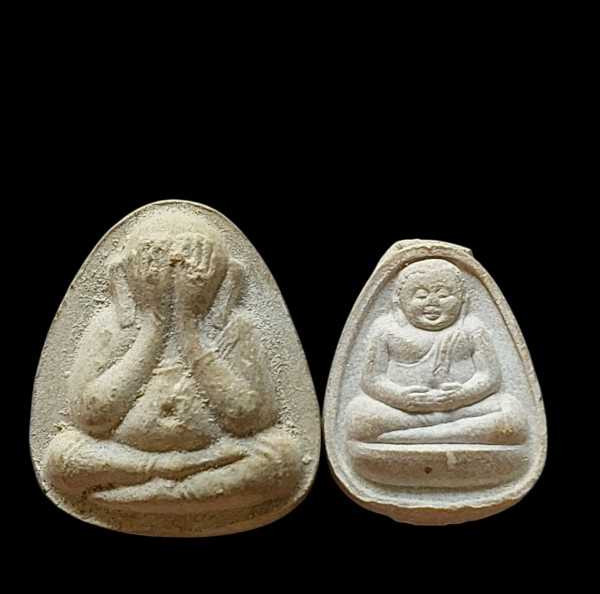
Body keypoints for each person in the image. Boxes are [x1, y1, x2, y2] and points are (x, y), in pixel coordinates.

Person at [44, 213, 302, 514]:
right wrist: (154, 326)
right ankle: (166, 479)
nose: (173, 271)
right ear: (124, 274)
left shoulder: (236, 327)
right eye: (153, 260)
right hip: (130, 458)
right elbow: (91, 417)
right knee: (62, 457)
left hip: (212, 455)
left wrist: (188, 327)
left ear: (226, 277)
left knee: (283, 458)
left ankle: (152, 494)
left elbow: (249, 417)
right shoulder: (108, 327)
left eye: (194, 261)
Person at [346, 259, 528, 445]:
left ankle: (408, 438)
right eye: (421, 296)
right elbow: (371, 380)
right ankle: (450, 434)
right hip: (403, 411)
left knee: (511, 410)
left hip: (462, 409)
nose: (432, 303)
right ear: (398, 300)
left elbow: (490, 377)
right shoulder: (386, 329)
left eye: (443, 295)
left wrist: (462, 396)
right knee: (359, 416)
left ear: (463, 298)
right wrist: (400, 397)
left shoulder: (472, 328)